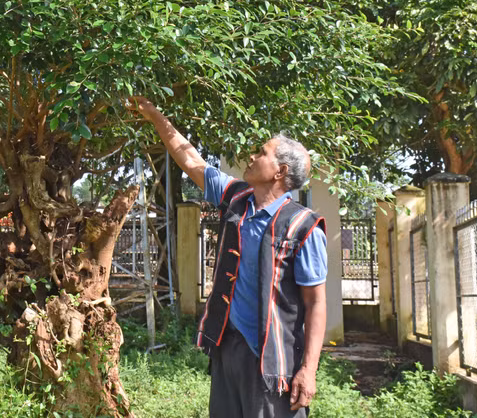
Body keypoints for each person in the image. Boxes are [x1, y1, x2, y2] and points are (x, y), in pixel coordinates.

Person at [130, 97, 328, 418]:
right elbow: (191, 159)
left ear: (280, 170)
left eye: (262, 153)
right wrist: (155, 116)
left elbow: (316, 303)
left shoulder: (303, 227)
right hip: (227, 347)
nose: (252, 156)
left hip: (271, 362)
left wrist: (309, 369)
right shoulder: (235, 197)